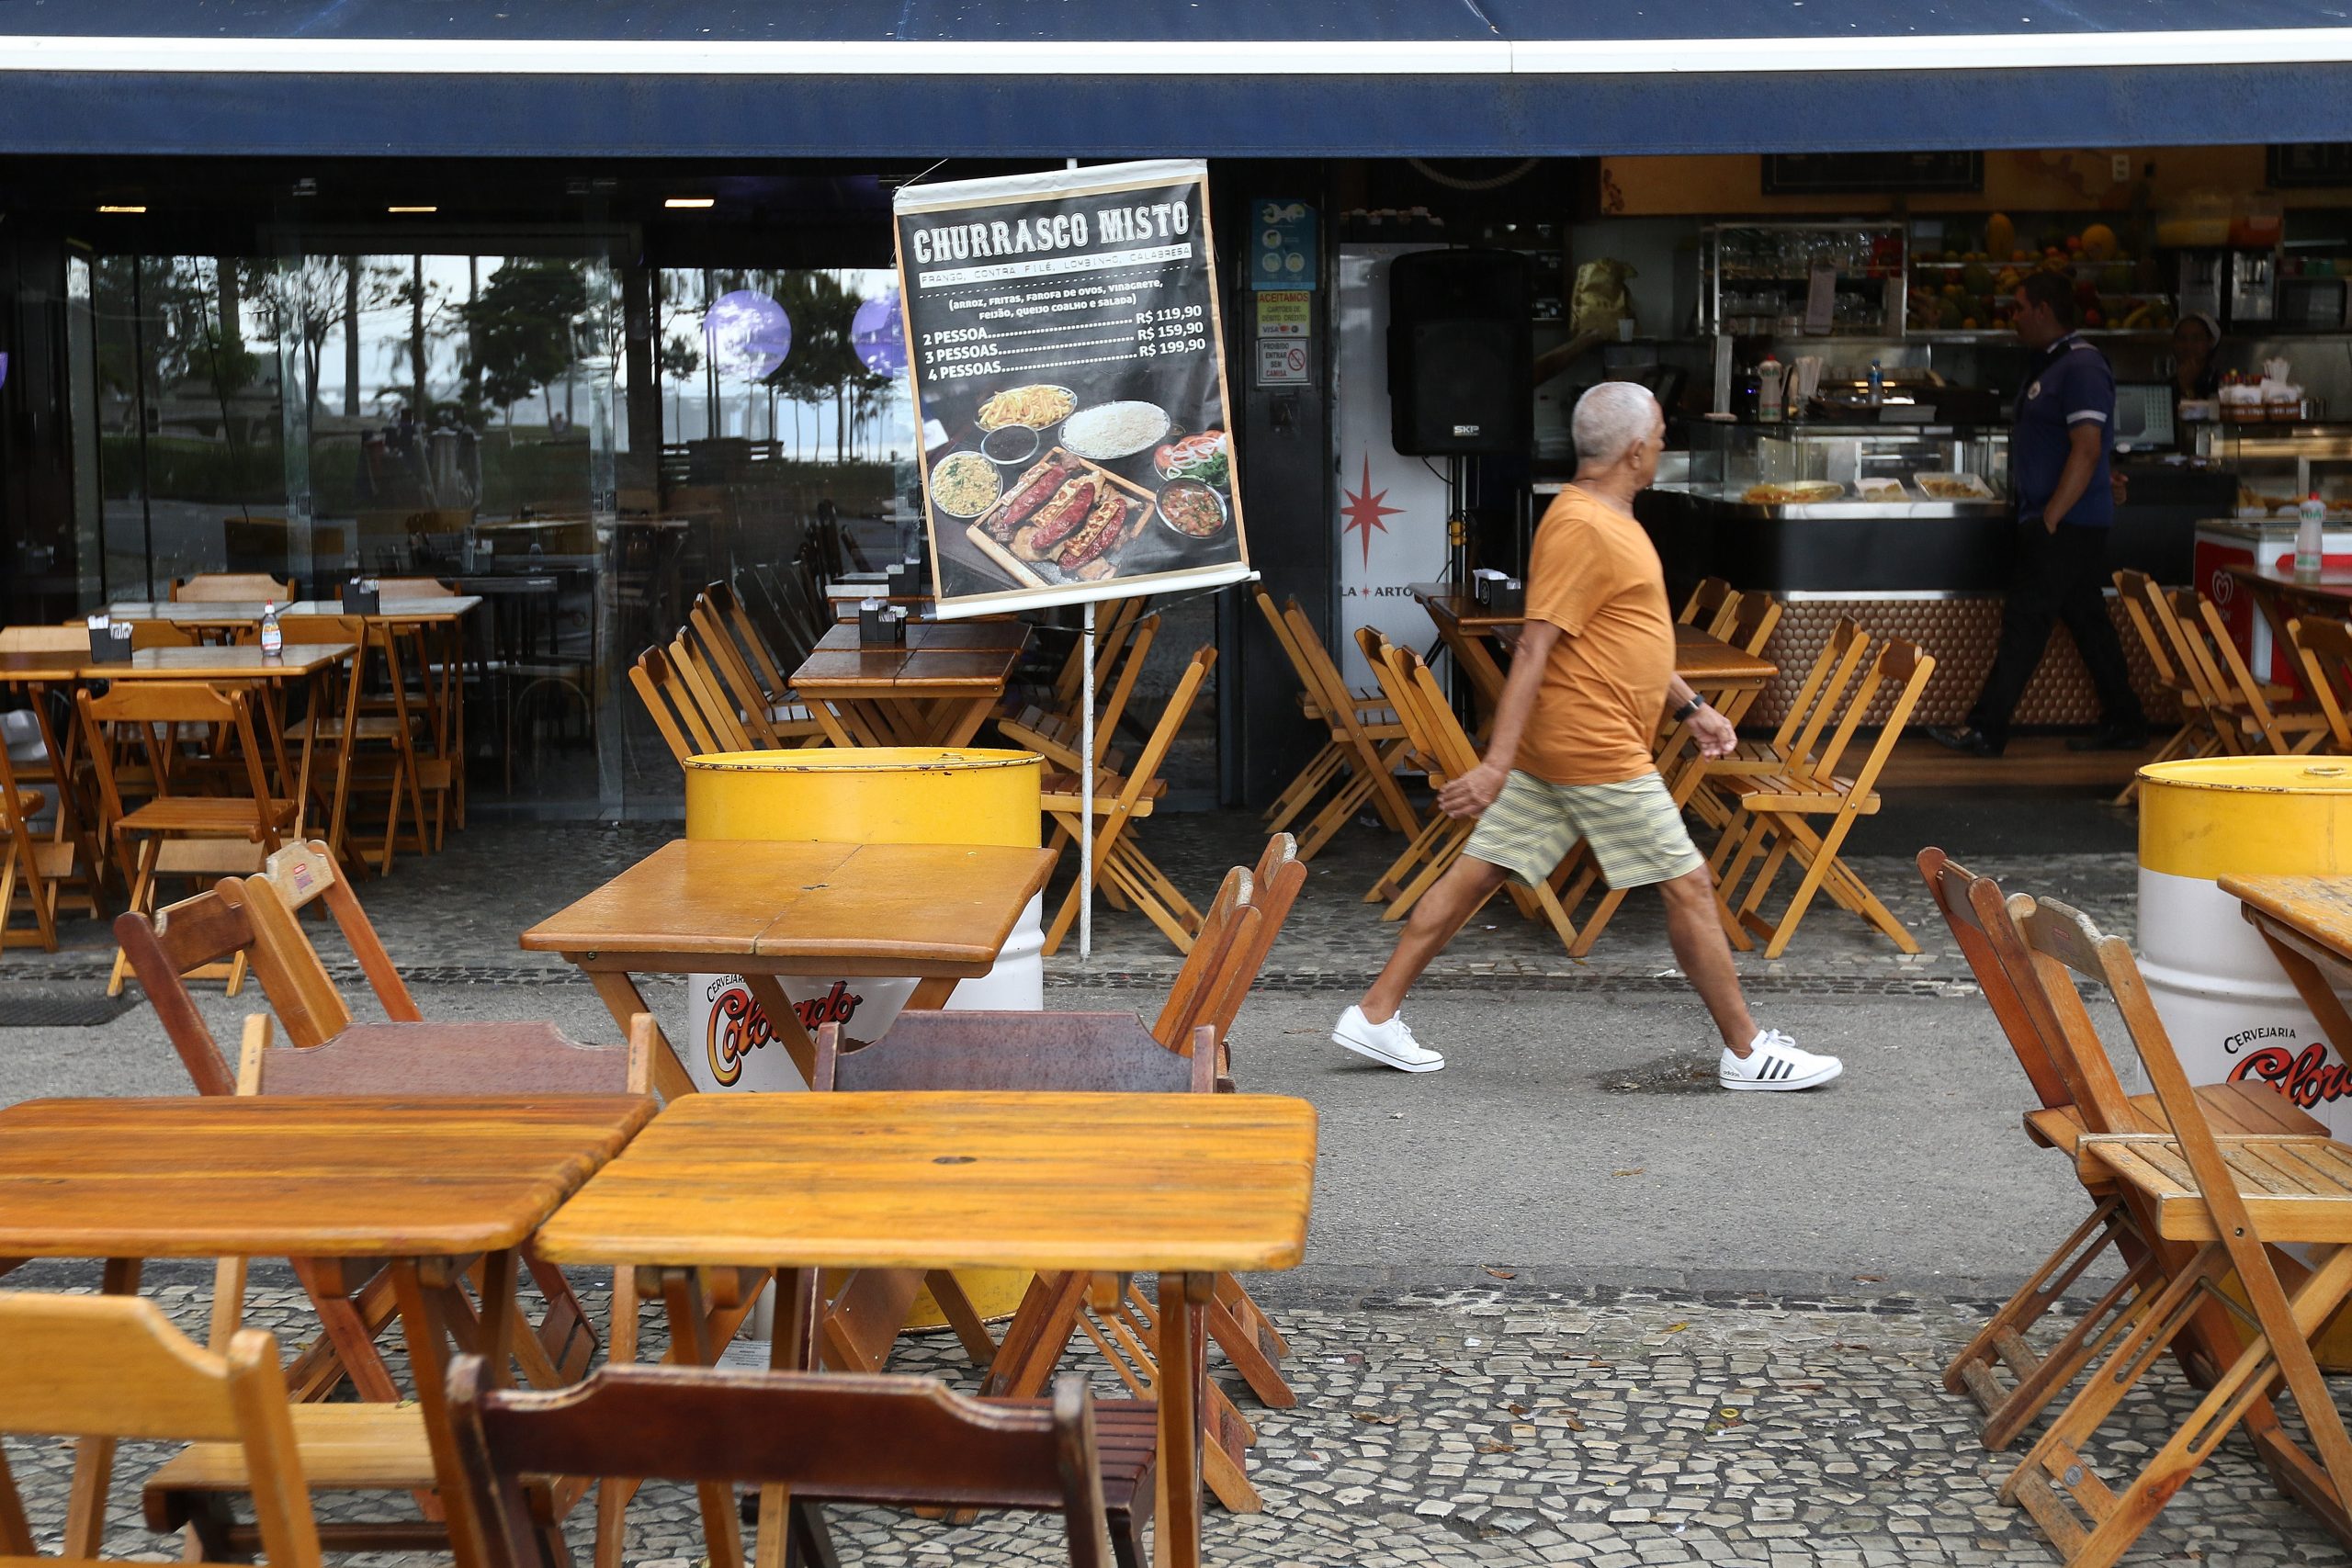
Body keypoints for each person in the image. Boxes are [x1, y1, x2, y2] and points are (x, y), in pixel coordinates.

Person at [1330, 381, 1845, 1092]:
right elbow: (1534, 647)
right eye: (1661, 432)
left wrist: (1690, 702)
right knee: (1690, 883)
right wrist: (1493, 764)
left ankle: (1375, 1012)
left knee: (1479, 870)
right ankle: (1749, 1051)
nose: (1664, 443)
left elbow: (1618, 634)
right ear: (1636, 449)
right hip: (1595, 747)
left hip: (1569, 747)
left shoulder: (1604, 516)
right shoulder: (1581, 525)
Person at [1926, 271, 2147, 758]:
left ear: (2045, 309)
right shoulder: (2047, 364)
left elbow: (2086, 448)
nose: (2014, 317)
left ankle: (1987, 728)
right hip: (2064, 516)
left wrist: (2049, 518)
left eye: (2020, 307)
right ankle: (2127, 719)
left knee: (2025, 621)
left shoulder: (2082, 366)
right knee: (2089, 620)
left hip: (2066, 523)